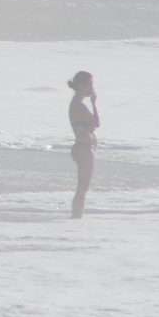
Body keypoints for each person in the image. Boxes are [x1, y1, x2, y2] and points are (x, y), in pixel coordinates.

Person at [67, 70, 101, 219]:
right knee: (82, 189)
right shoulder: (78, 105)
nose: (91, 89)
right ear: (80, 85)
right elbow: (96, 122)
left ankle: (77, 217)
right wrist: (94, 103)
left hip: (84, 147)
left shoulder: (78, 105)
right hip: (84, 148)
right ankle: (76, 218)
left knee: (82, 189)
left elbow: (90, 125)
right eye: (89, 85)